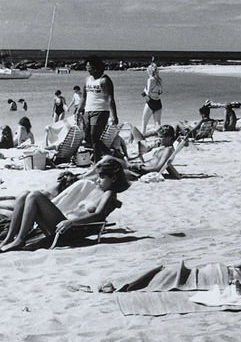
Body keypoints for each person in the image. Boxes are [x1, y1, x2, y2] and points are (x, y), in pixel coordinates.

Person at [0, 156, 130, 251]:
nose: (98, 180)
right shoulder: (97, 190)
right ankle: (9, 239)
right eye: (98, 177)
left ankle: (19, 239)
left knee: (35, 196)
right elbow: (90, 176)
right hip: (63, 226)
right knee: (24, 195)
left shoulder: (109, 194)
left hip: (70, 231)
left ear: (113, 179)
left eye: (102, 177)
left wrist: (71, 222)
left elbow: (99, 215)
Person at [79, 56, 118, 163]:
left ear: (96, 67)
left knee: (94, 136)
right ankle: (109, 152)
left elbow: (110, 98)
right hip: (88, 110)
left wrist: (114, 115)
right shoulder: (87, 80)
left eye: (90, 67)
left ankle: (97, 162)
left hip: (101, 110)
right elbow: (83, 97)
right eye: (86, 67)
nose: (87, 69)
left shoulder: (104, 80)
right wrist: (79, 110)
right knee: (87, 137)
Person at [141, 62, 164, 135]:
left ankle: (142, 139)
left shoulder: (150, 80)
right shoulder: (160, 80)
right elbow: (161, 92)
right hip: (158, 102)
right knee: (157, 123)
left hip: (151, 102)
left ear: (150, 71)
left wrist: (144, 91)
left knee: (144, 122)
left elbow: (148, 93)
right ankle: (161, 137)